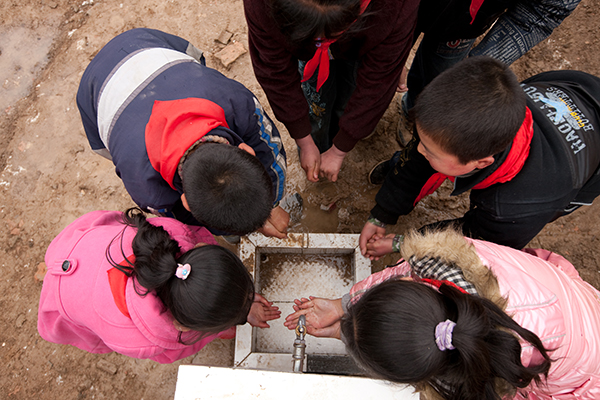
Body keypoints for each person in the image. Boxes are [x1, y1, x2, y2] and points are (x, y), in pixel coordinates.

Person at [284, 229, 600, 399]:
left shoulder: (506, 368)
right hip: (564, 296)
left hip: (583, 377)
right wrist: (344, 310)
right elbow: (401, 275)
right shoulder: (449, 263)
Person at [360, 56, 600, 255]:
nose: (419, 150)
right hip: (573, 87)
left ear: (481, 163)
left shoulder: (514, 210)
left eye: (430, 151)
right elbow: (418, 157)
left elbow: (473, 242)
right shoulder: (475, 112)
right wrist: (382, 215)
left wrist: (402, 244)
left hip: (579, 164)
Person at [76, 28, 289, 238]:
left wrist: (273, 203)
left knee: (198, 66)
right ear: (185, 202)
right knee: (112, 147)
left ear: (246, 150)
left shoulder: (239, 103)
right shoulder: (145, 188)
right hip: (95, 90)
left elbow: (270, 151)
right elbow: (181, 225)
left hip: (144, 45)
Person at [37, 209, 281, 363]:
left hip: (82, 244)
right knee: (95, 326)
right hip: (65, 296)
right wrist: (228, 321)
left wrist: (239, 303)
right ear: (182, 326)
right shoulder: (142, 341)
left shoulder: (169, 233)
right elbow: (178, 346)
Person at [243, 0, 419, 182]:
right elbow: (275, 73)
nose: (322, 41)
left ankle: (338, 132)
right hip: (308, 51)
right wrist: (304, 140)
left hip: (362, 44)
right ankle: (319, 143)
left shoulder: (396, 6)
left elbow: (377, 83)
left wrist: (341, 148)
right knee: (317, 104)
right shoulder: (260, 6)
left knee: (350, 93)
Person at [398, 0, 581, 123]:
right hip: (400, 8)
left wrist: (476, 71)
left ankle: (414, 111)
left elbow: (543, 11)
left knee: (439, 83)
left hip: (463, 27)